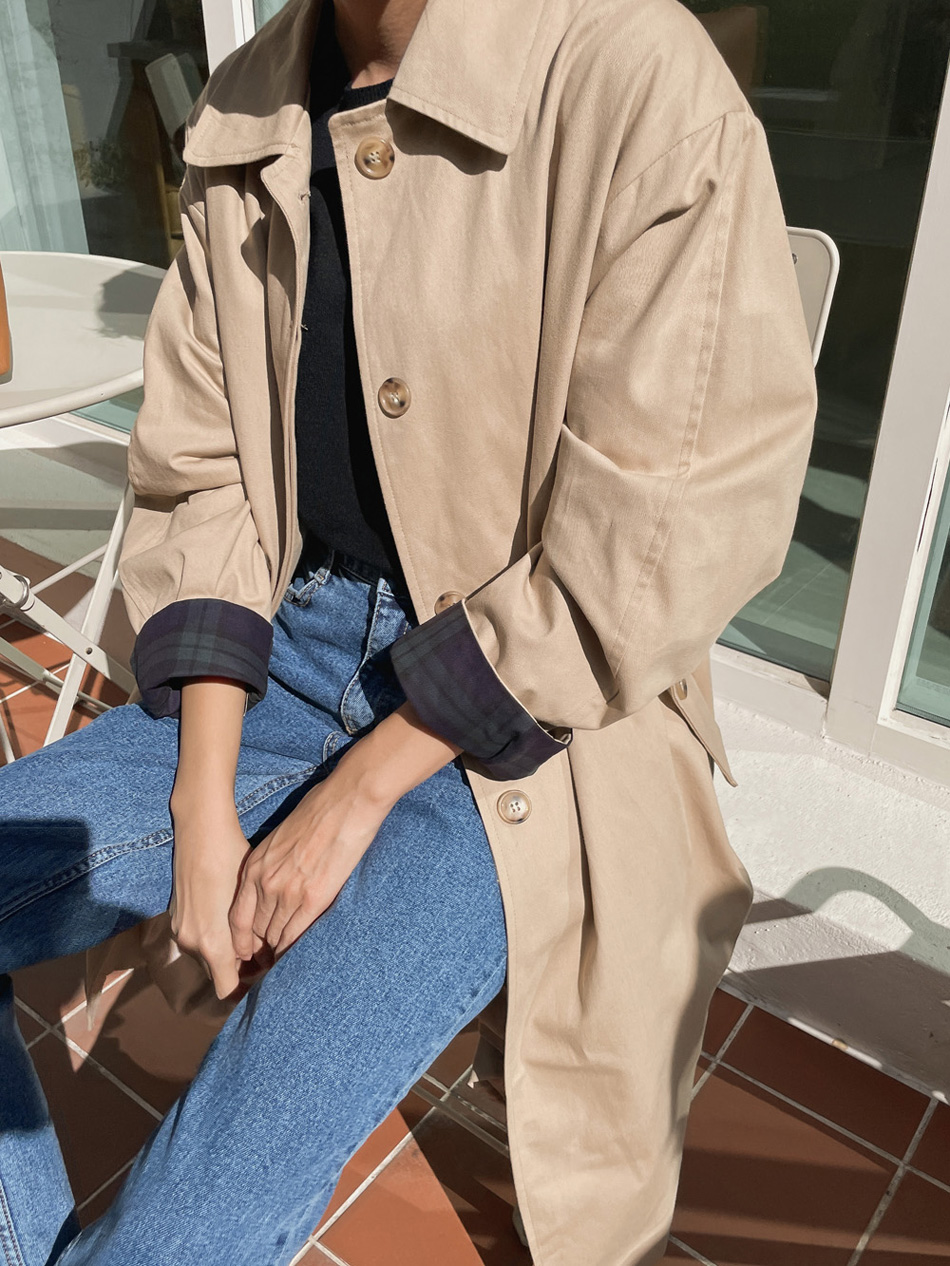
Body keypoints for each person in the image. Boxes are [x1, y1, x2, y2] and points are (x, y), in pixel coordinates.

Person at [0, 0, 818, 1261]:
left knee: (189, 1217)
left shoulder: (629, 72)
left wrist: (356, 794)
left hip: (525, 729)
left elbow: (673, 519)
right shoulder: (247, 97)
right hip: (281, 650)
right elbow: (204, 470)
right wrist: (201, 808)